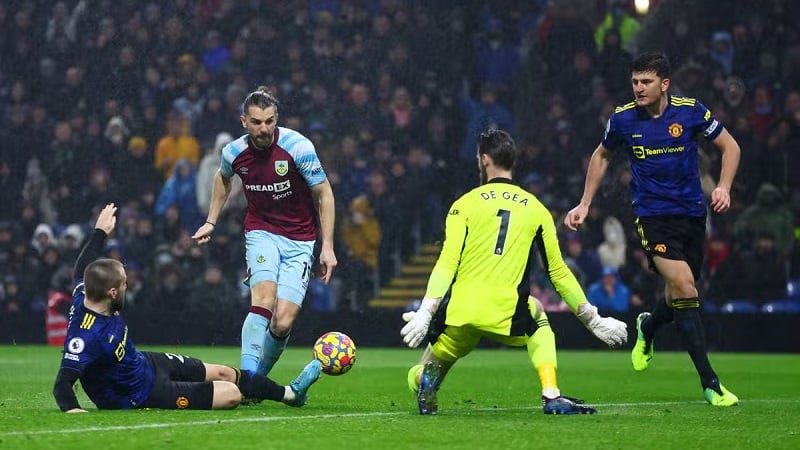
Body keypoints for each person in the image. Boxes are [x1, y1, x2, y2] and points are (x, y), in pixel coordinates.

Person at [400, 129, 628, 416]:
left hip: (462, 311)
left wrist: (426, 310)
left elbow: (447, 262)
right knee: (539, 316)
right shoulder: (537, 209)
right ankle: (551, 394)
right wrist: (593, 320)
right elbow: (558, 273)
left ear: (484, 160)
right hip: (507, 311)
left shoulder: (464, 204)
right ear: (512, 161)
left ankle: (421, 379)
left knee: (435, 360)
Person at [564, 52, 742, 406]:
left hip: (692, 216)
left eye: (646, 82)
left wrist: (723, 186)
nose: (638, 88)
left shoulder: (690, 111)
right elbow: (601, 155)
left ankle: (648, 326)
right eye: (634, 82)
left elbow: (730, 145)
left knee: (680, 295)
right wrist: (585, 203)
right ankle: (710, 383)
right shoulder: (623, 119)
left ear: (665, 84)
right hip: (651, 217)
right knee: (684, 286)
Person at [53, 204, 322, 413]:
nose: (127, 287)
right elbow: (62, 385)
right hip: (140, 394)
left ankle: (290, 393)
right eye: (124, 284)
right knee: (231, 394)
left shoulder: (85, 293)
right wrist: (74, 410)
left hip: (145, 363)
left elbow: (81, 269)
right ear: (112, 292)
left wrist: (99, 232)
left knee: (225, 373)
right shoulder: (85, 336)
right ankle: (238, 393)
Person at [192, 87, 337, 379]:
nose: (264, 128)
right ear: (244, 121)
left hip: (300, 239)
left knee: (283, 322)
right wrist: (211, 220)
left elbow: (324, 193)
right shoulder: (233, 152)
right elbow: (223, 179)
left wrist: (328, 246)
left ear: (276, 119)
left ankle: (258, 378)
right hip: (262, 232)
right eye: (257, 122)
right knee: (263, 300)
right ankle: (248, 379)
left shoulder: (298, 147)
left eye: (270, 121)